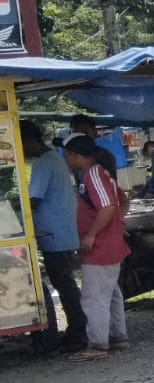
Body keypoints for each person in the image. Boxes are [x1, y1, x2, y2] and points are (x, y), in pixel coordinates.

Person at [19, 120, 87, 354]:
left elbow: (34, 200)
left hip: (55, 233)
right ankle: (77, 331)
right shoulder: (53, 159)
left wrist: (15, 208)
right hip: (61, 231)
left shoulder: (44, 163)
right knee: (65, 284)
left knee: (64, 285)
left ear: (29, 141)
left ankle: (78, 333)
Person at [63, 136, 130, 360]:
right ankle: (118, 336)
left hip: (100, 246)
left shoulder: (93, 174)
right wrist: (117, 223)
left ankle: (98, 344)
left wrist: (92, 233)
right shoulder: (102, 173)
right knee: (111, 293)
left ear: (75, 155)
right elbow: (122, 200)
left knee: (94, 297)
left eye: (67, 155)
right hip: (111, 243)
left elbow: (108, 206)